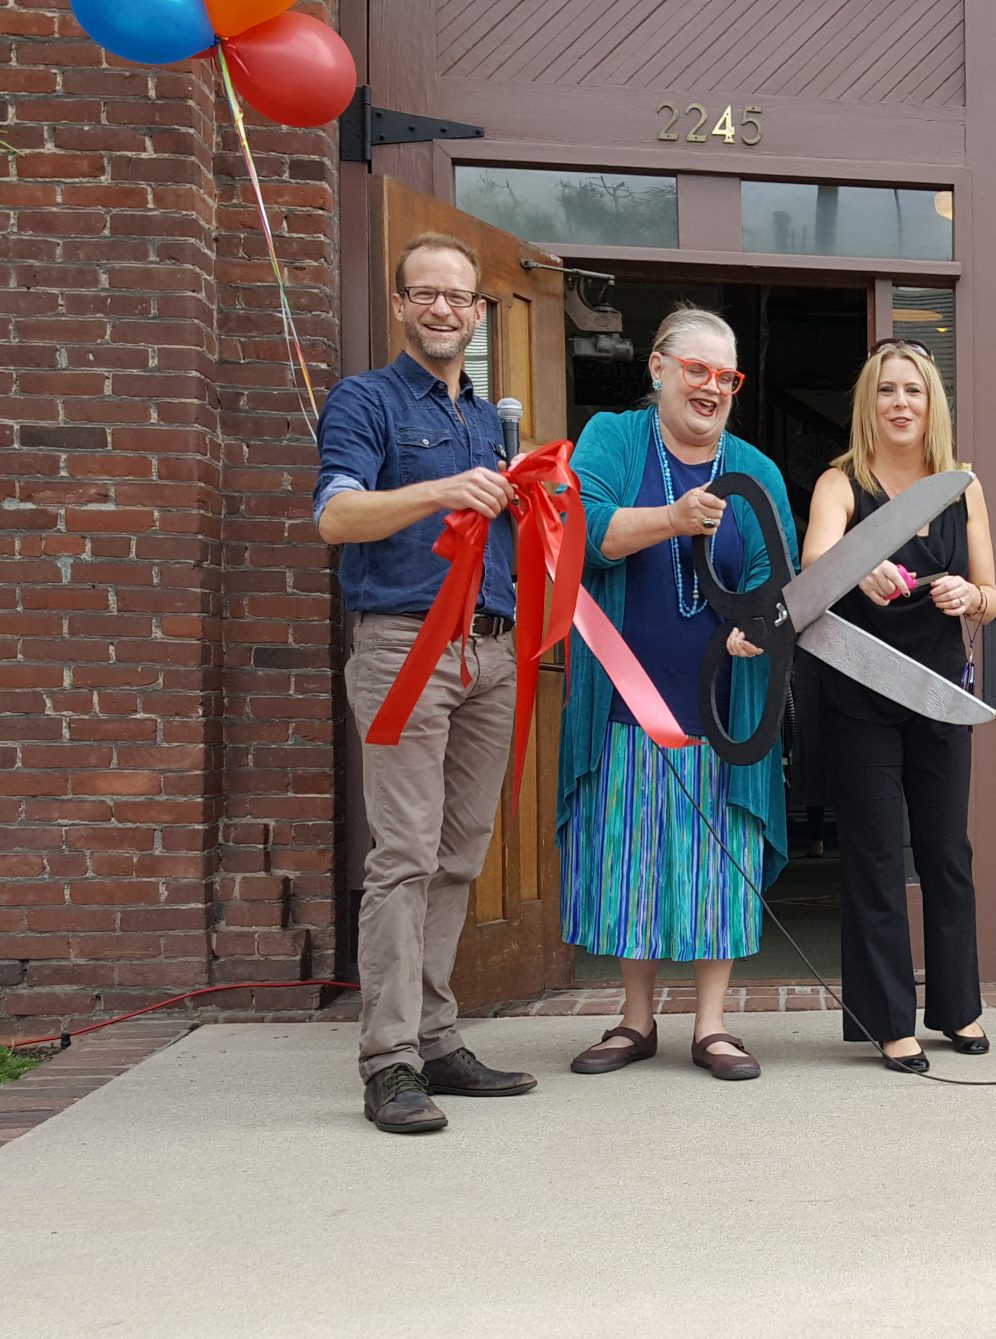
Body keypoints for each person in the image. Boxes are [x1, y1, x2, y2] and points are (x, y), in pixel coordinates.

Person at [312, 231, 539, 1134]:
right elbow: (336, 515)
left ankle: (437, 1036)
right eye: (427, 294)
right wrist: (443, 490)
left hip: (489, 650)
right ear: (401, 304)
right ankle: (389, 1061)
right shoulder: (363, 400)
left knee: (460, 854)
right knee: (401, 856)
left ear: (478, 314)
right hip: (403, 644)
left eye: (460, 297)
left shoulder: (490, 421)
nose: (444, 309)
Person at [558, 306, 796, 1083]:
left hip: (722, 705)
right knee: (630, 854)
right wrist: (671, 516)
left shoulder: (755, 469)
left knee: (716, 859)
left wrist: (758, 628)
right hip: (627, 700)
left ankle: (714, 1025)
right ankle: (635, 1019)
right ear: (657, 367)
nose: (712, 388)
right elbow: (584, 532)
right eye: (697, 370)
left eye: (726, 377)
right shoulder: (613, 440)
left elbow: (779, 582)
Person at [804, 338, 996, 1074]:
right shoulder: (840, 482)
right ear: (869, 402)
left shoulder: (962, 486)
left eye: (913, 391)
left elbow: (991, 592)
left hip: (941, 695)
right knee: (878, 858)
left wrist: (967, 596)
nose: (900, 403)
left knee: (948, 854)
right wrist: (862, 569)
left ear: (932, 403)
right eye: (887, 390)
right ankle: (890, 1020)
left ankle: (958, 1007)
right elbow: (814, 566)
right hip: (861, 694)